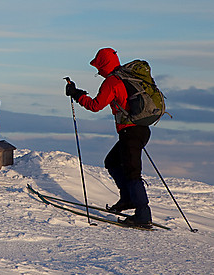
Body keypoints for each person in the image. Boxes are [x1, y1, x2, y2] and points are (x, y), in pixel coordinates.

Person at [65, 48, 152, 227]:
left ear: (104, 65)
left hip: (131, 133)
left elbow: (96, 106)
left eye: (98, 67)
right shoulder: (128, 78)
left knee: (132, 172)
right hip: (141, 130)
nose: (98, 72)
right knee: (112, 162)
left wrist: (76, 95)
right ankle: (128, 199)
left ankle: (143, 215)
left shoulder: (113, 81)